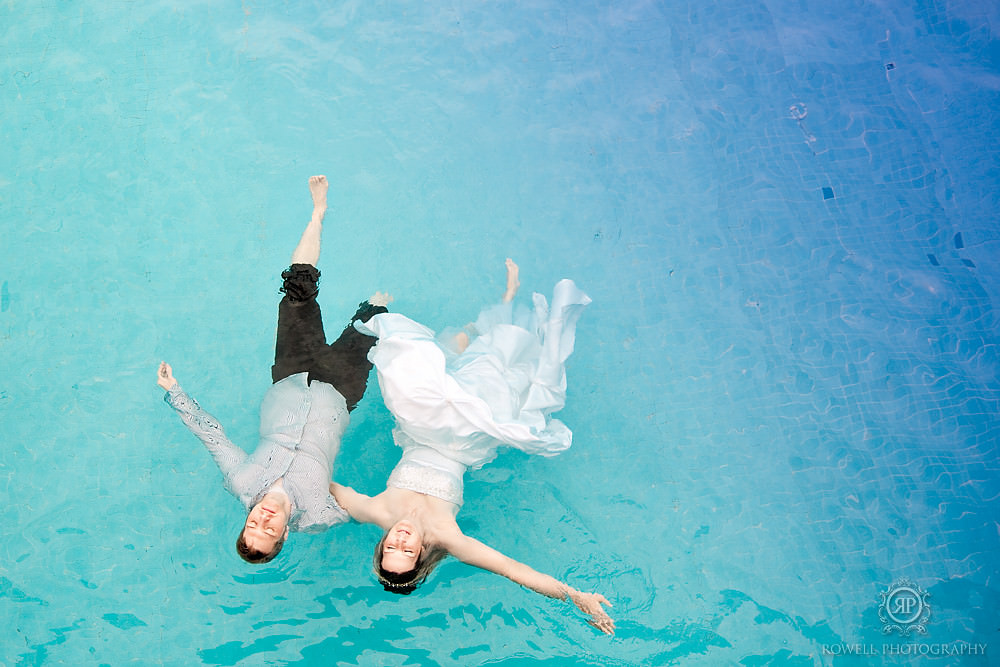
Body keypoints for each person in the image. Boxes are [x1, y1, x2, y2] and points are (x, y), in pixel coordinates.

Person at [331, 260, 615, 635]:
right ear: (422, 554)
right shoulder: (447, 536)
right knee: (491, 366)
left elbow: (317, 481)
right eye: (407, 552)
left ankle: (485, 320)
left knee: (434, 363)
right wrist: (575, 596)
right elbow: (513, 569)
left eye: (390, 549)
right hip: (464, 441)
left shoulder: (376, 511)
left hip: (420, 428)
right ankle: (506, 303)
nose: (400, 541)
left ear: (382, 545)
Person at [156, 175, 391, 564]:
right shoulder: (319, 516)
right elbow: (372, 512)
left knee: (298, 288)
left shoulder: (241, 481)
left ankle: (318, 212)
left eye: (252, 525)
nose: (262, 521)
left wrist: (175, 391)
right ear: (283, 536)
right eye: (269, 532)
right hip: (340, 392)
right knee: (376, 317)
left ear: (247, 519)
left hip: (291, 375)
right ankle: (372, 307)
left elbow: (212, 436)